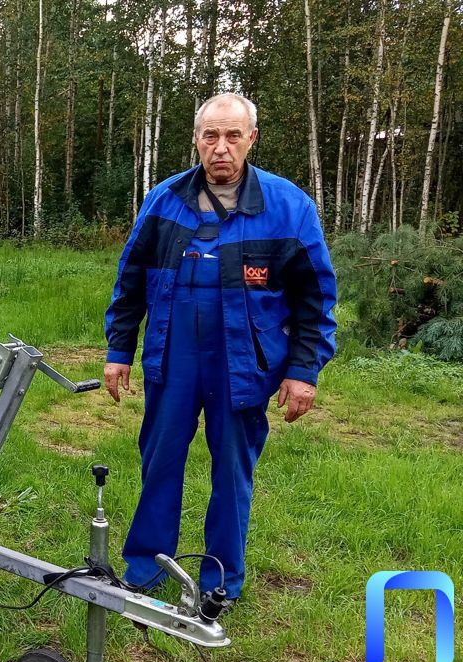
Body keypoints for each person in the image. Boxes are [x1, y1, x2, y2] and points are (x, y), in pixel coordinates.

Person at [102, 93, 338, 602]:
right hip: (173, 358)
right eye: (211, 135)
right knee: (159, 462)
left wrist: (303, 371)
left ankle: (220, 582)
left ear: (252, 139)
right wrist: (119, 351)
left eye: (233, 135)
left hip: (243, 365)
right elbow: (131, 281)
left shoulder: (288, 207)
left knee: (231, 473)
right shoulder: (164, 200)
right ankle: (145, 568)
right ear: (197, 140)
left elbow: (316, 299)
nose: (221, 147)